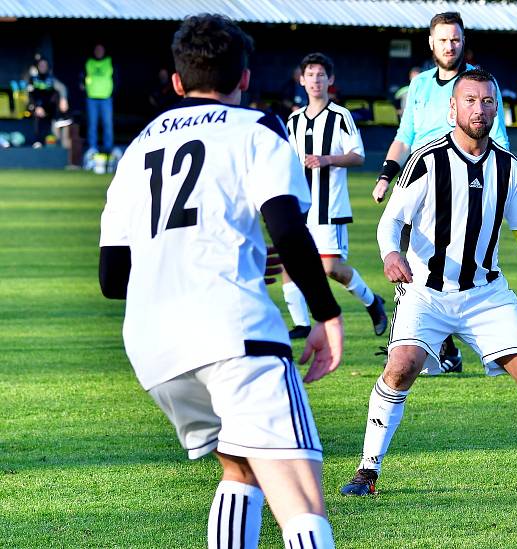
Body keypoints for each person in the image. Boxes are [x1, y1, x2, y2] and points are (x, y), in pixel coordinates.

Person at [98, 14, 343, 548]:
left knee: (242, 469)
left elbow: (113, 278)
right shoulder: (258, 128)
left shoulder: (136, 148)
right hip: (234, 334)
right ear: (245, 79)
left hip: (155, 349)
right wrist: (326, 313)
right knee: (301, 499)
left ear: (179, 82)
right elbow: (285, 224)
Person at [340, 68, 517, 498]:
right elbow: (392, 222)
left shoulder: (509, 167)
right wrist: (389, 254)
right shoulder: (427, 159)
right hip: (425, 291)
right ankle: (367, 472)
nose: (478, 109)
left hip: (486, 294)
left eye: (487, 102)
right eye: (470, 100)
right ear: (452, 108)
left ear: (496, 108)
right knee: (401, 366)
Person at [371, 11, 510, 375]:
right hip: (419, 181)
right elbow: (406, 136)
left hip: (463, 184)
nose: (450, 46)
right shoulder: (419, 86)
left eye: (455, 39)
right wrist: (386, 175)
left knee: (456, 266)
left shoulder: (479, 85)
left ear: (464, 42)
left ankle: (446, 343)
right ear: (431, 43)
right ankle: (425, 344)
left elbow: (498, 139)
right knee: (409, 261)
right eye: (443, 39)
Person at [283, 52, 387, 340]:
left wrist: (326, 159)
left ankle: (372, 302)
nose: (315, 80)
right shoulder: (293, 120)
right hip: (299, 206)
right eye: (310, 74)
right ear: (301, 80)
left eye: (321, 74)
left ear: (331, 80)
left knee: (332, 268)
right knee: (290, 263)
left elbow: (358, 156)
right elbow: (290, 160)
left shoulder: (341, 116)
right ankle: (302, 324)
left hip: (329, 207)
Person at [27, 57, 69, 147]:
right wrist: (36, 106)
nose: (43, 67)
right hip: (37, 107)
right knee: (38, 115)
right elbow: (30, 96)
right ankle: (38, 141)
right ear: (37, 67)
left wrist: (64, 99)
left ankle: (60, 119)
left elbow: (62, 88)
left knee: (58, 95)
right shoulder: (33, 79)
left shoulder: (51, 79)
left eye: (44, 65)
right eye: (41, 65)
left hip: (50, 108)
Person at [83, 43, 115, 160]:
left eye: (101, 49)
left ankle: (108, 149)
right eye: (97, 49)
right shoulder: (89, 62)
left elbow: (116, 77)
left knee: (107, 124)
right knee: (92, 125)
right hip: (92, 98)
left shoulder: (109, 61)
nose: (99, 52)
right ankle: (92, 149)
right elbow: (83, 77)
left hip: (106, 98)